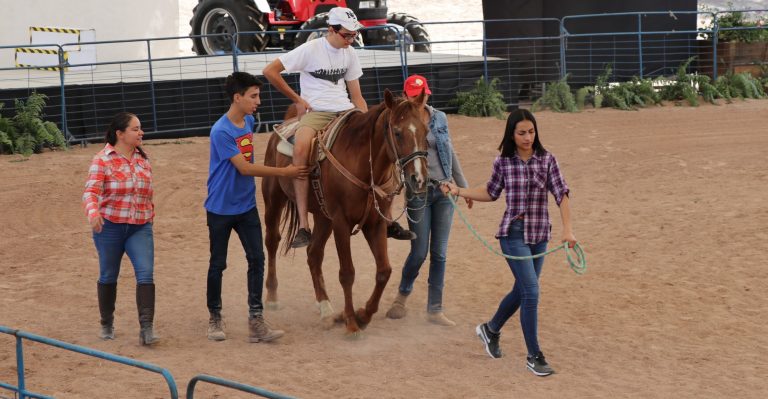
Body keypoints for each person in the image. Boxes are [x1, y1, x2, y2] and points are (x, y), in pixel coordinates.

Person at [263, 6, 414, 247]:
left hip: (346, 110)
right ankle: (303, 225)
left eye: (354, 35)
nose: (351, 39)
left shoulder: (350, 52)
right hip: (317, 112)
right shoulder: (310, 50)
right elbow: (270, 71)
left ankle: (386, 218)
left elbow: (356, 95)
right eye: (347, 35)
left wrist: (367, 121)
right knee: (301, 149)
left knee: (381, 144)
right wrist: (298, 100)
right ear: (331, 30)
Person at [441, 109, 576, 377]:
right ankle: (534, 356)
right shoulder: (503, 162)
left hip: (540, 235)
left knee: (523, 291)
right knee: (532, 293)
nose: (528, 137)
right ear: (511, 135)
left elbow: (562, 194)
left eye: (531, 132)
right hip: (512, 235)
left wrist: (568, 230)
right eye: (522, 133)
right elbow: (490, 192)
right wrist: (459, 190)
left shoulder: (547, 160)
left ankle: (490, 330)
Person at [204, 72, 309, 342]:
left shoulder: (248, 121)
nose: (258, 101)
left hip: (245, 206)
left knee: (257, 259)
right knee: (218, 263)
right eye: (253, 96)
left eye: (258, 95)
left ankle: (256, 319)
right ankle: (215, 317)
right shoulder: (221, 131)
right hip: (220, 208)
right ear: (237, 98)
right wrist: (286, 172)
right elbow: (245, 168)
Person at [385, 75, 471, 327]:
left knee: (440, 253)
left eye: (421, 95)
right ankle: (402, 295)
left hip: (444, 190)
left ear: (426, 95)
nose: (418, 99)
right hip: (418, 190)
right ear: (405, 95)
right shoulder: (400, 120)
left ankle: (435, 309)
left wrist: (463, 187)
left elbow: (450, 151)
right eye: (413, 94)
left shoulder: (440, 118)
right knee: (419, 251)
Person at [83, 112, 159, 346]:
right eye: (135, 129)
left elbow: (147, 193)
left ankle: (146, 329)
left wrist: (150, 215)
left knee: (146, 274)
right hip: (110, 228)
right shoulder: (102, 160)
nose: (141, 132)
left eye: (140, 128)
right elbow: (90, 192)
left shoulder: (142, 159)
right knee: (108, 275)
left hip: (140, 227)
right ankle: (106, 322)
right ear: (120, 134)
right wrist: (94, 214)